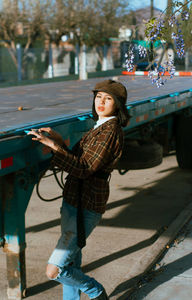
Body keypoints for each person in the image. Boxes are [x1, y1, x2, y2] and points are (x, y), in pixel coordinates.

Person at [28, 79, 130, 300]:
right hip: (74, 198)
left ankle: (96, 292)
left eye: (108, 98)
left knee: (55, 270)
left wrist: (54, 147)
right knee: (72, 260)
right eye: (98, 96)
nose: (100, 102)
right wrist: (59, 143)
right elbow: (79, 159)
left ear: (118, 105)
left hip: (87, 202)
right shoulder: (100, 126)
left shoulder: (110, 131)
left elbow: (84, 168)